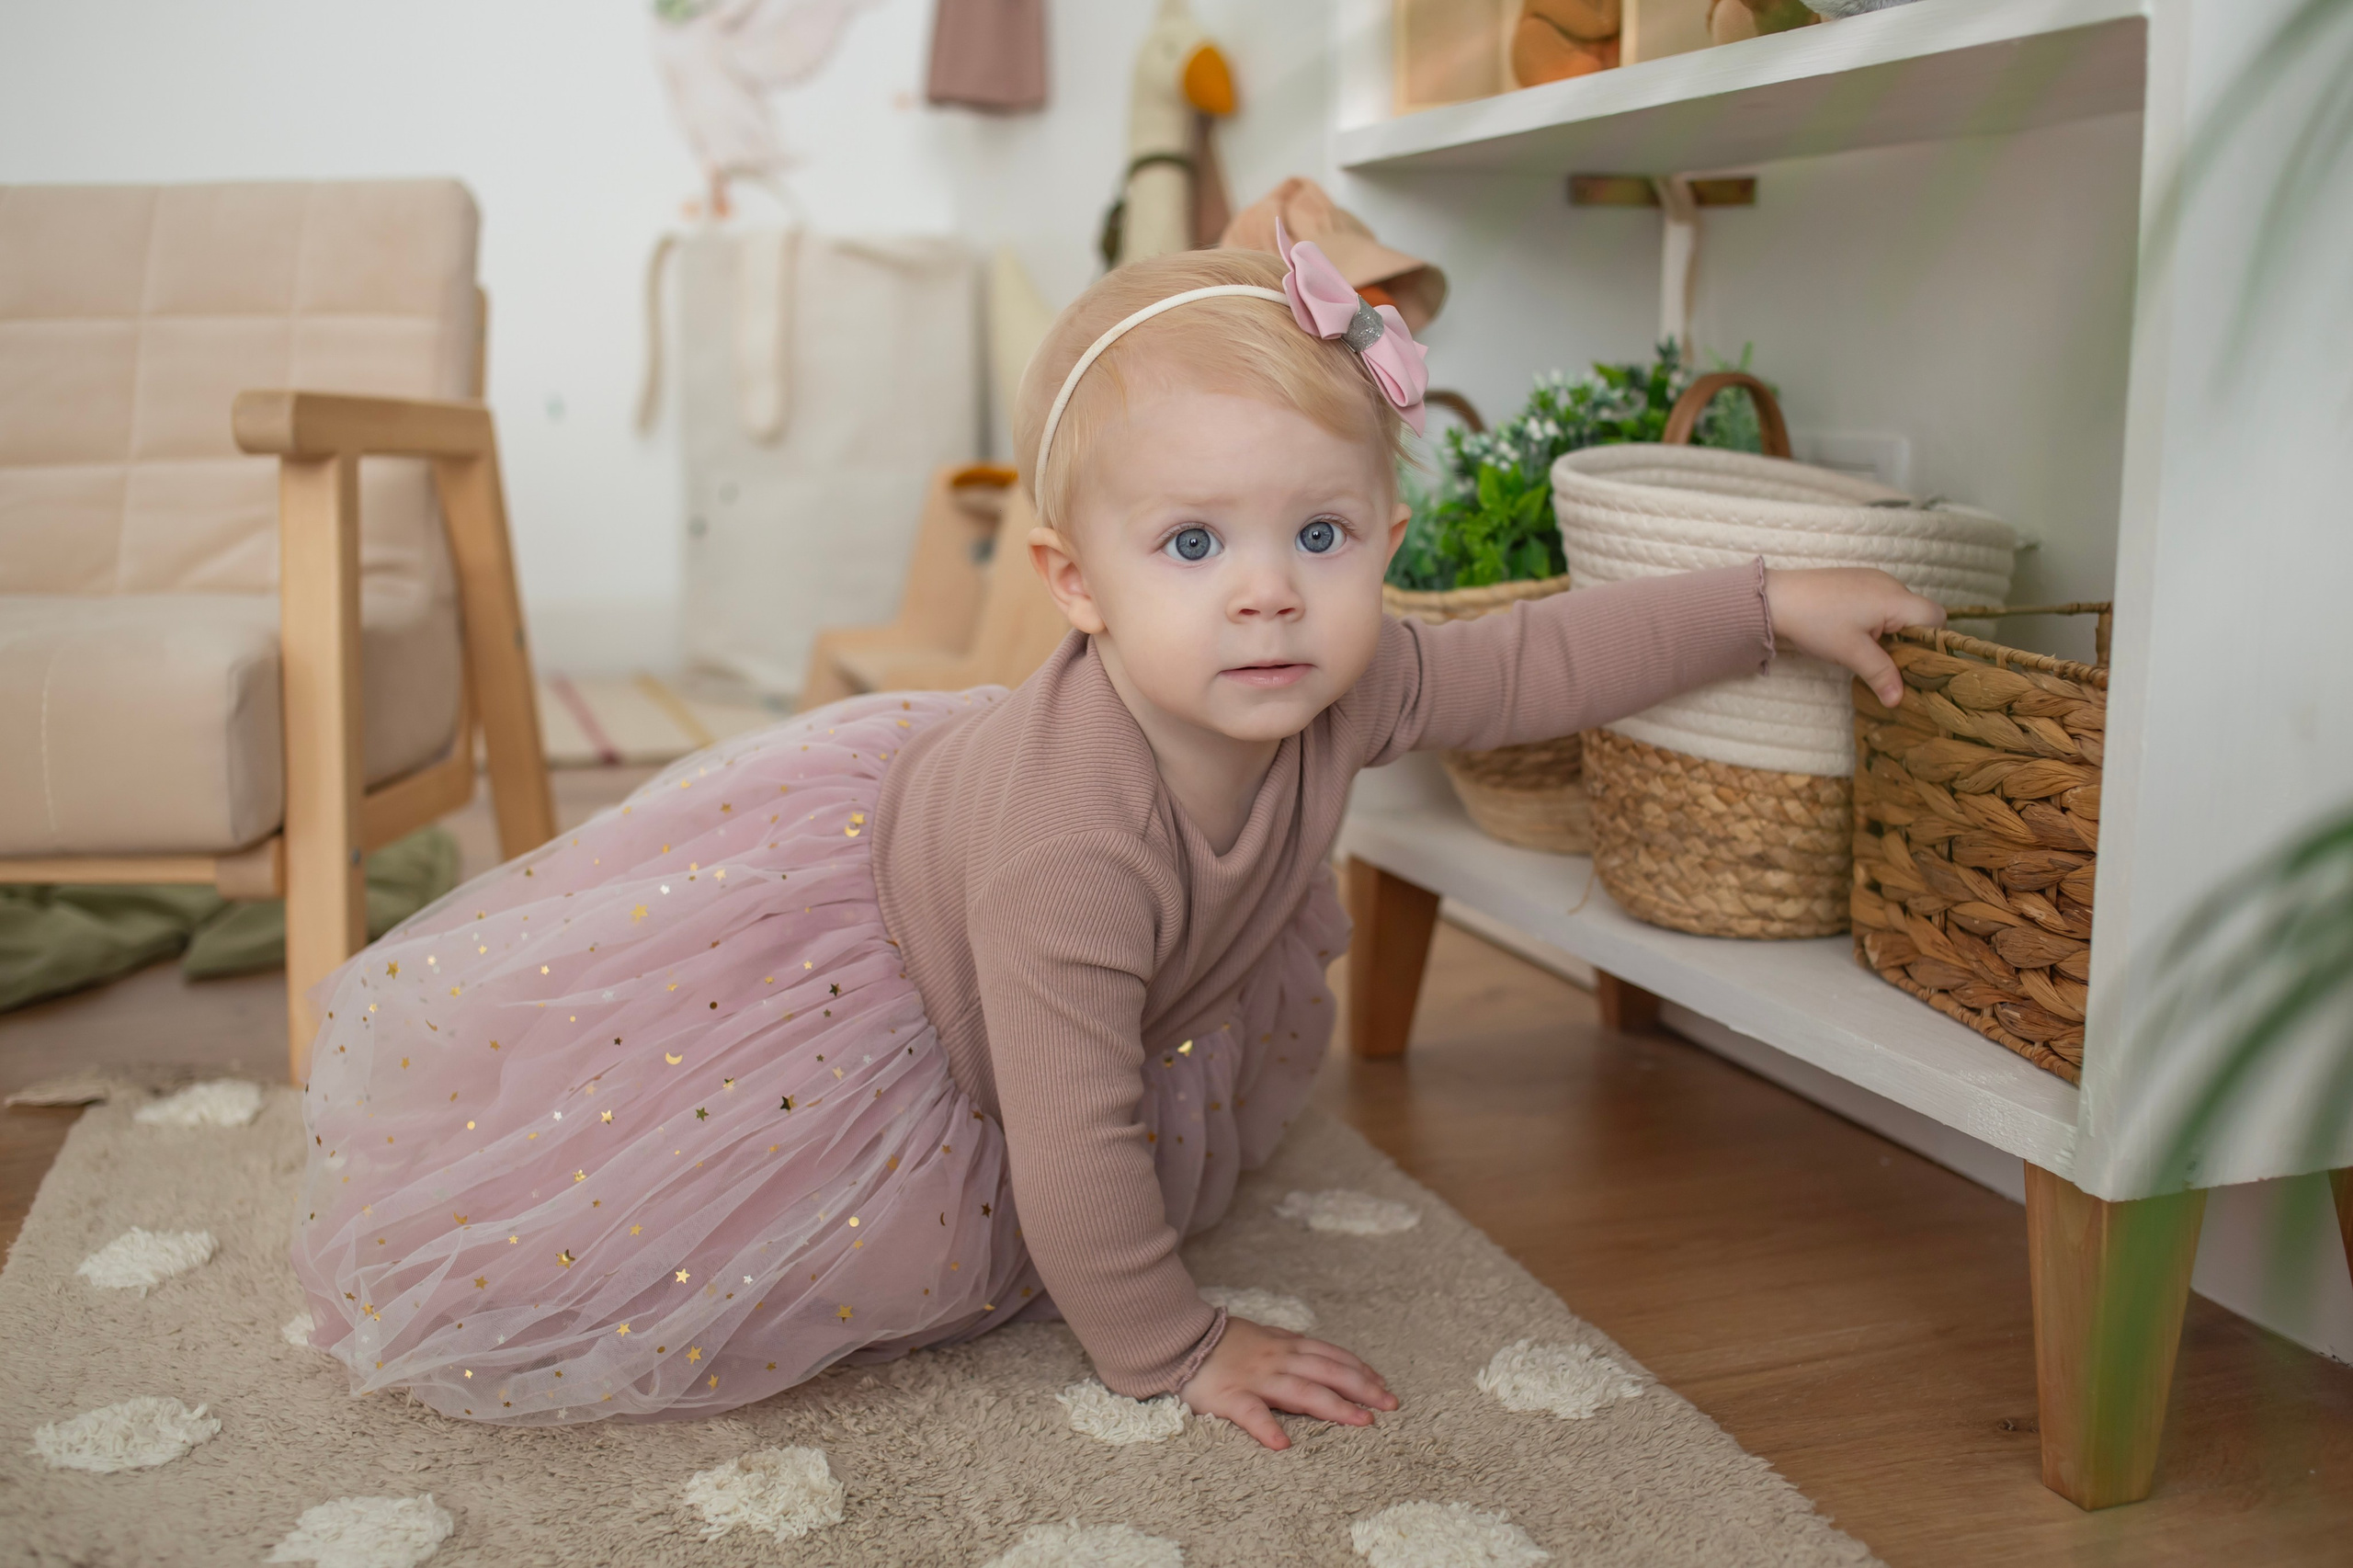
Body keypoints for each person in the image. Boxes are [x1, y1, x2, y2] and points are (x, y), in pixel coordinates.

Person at [292, 233, 1941, 1445]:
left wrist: (1764, 604)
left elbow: (1540, 658)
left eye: (1320, 530)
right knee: (702, 1229)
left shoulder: (1336, 680)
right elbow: (1071, 1138)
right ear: (1077, 585)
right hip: (922, 982)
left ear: (1383, 534)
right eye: (1192, 541)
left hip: (1077, 938)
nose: (1268, 587)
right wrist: (1173, 1346)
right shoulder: (1072, 848)